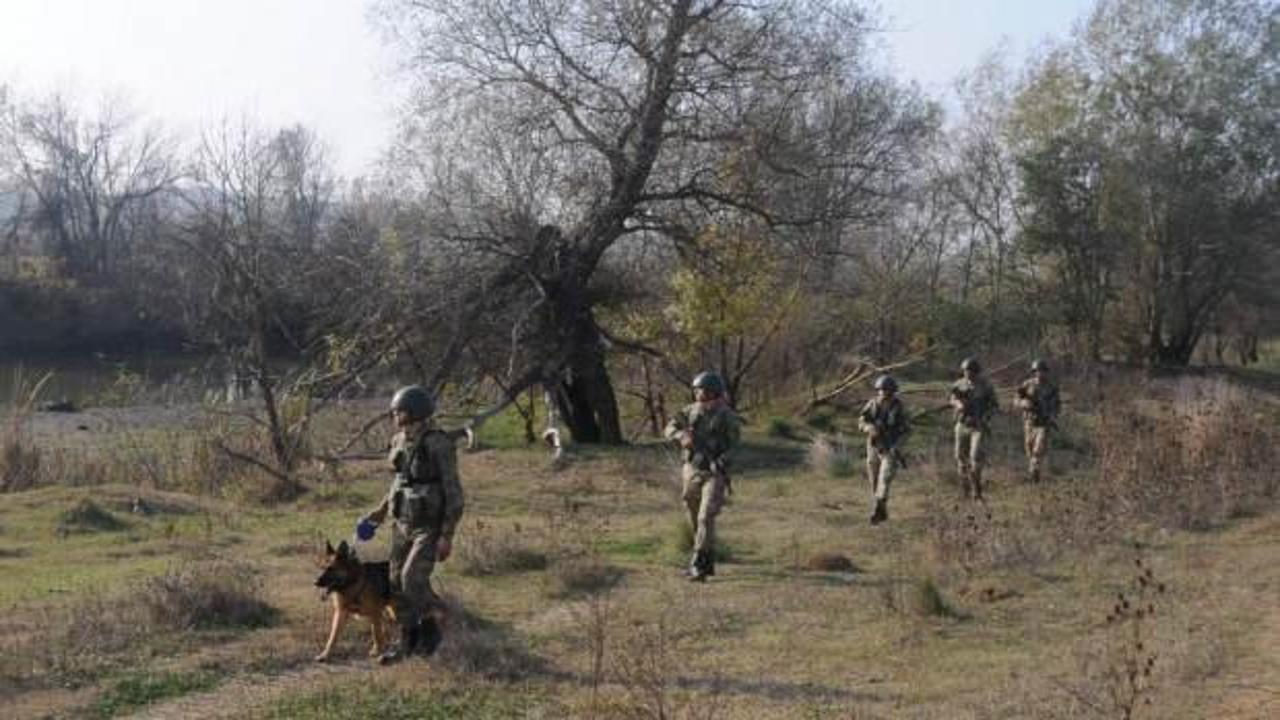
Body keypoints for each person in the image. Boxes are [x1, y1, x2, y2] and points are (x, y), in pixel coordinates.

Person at [357, 385, 464, 664]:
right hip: (402, 522)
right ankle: (407, 642)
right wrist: (380, 512)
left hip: (429, 526)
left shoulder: (437, 442)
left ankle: (432, 630)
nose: (394, 415)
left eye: (398, 411)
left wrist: (447, 535)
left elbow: (453, 492)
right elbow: (400, 481)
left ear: (413, 412)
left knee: (412, 578)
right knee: (394, 583)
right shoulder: (399, 441)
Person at [664, 371, 740, 582]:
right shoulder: (689, 412)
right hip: (692, 468)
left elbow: (736, 446)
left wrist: (723, 460)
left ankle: (698, 563)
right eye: (697, 390)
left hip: (714, 472)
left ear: (713, 392)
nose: (699, 394)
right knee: (691, 507)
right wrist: (681, 436)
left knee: (706, 516)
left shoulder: (727, 416)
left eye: (703, 390)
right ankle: (706, 554)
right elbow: (669, 427)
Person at [858, 374, 910, 525]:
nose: (884, 393)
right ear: (878, 390)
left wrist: (897, 446)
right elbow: (861, 421)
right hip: (873, 445)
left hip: (890, 448)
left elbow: (907, 430)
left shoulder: (899, 407)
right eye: (882, 390)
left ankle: (877, 509)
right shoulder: (872, 404)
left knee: (885, 479)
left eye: (888, 390)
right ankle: (882, 509)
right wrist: (869, 428)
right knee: (874, 480)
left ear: (893, 391)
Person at [949, 358, 998, 500]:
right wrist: (958, 403)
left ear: (977, 372)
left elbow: (994, 405)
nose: (967, 373)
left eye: (970, 371)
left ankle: (977, 491)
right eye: (965, 371)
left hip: (978, 426)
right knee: (960, 459)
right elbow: (951, 398)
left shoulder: (986, 386)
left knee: (975, 458)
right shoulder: (958, 385)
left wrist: (986, 418)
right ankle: (965, 491)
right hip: (962, 424)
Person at [1016, 359, 1060, 482]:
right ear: (1034, 372)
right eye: (1038, 371)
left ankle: (1035, 472)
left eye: (1043, 371)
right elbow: (1016, 400)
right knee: (1029, 448)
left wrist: (1052, 416)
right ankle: (1033, 468)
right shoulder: (1027, 384)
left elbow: (1057, 405)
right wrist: (1024, 403)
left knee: (1038, 450)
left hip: (1043, 423)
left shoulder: (1052, 388)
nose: (1040, 373)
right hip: (1029, 422)